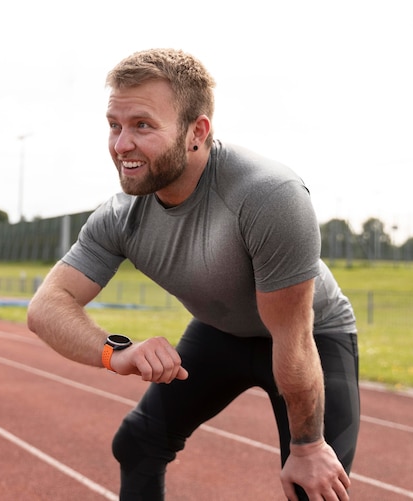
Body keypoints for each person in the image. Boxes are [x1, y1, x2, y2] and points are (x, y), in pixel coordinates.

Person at [27, 48, 360, 501]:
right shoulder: (120, 216)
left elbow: (294, 338)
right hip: (220, 333)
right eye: (114, 125)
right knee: (137, 444)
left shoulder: (269, 195)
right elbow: (47, 306)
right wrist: (115, 352)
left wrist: (308, 446)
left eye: (142, 125)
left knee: (313, 483)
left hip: (309, 335)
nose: (121, 144)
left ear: (196, 132)